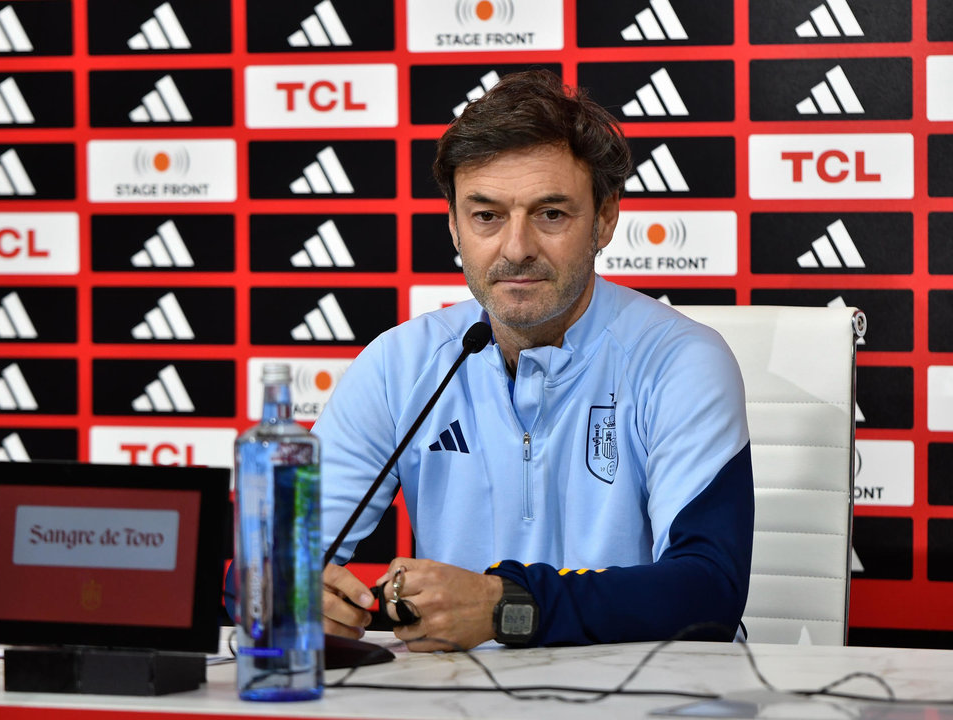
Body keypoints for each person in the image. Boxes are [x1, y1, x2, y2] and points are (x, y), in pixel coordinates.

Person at [316, 69, 753, 652]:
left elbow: (709, 592)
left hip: (638, 701)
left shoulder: (681, 361)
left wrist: (509, 607)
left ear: (603, 220)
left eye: (550, 214)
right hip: (452, 701)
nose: (516, 248)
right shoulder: (401, 363)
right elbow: (268, 567)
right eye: (487, 216)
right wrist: (292, 591)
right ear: (453, 225)